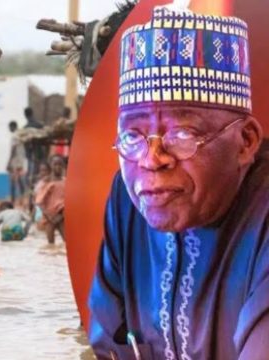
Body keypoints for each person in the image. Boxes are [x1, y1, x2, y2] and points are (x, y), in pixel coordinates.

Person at [88, 6, 268, 360]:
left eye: (183, 133)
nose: (151, 159)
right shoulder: (127, 198)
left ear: (245, 141)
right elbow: (107, 343)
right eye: (132, 137)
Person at [36, 155, 65, 244]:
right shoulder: (46, 182)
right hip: (49, 217)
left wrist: (61, 216)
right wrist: (49, 217)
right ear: (51, 166)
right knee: (50, 244)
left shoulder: (66, 181)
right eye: (55, 164)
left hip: (62, 216)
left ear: (63, 166)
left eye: (60, 164)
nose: (58, 167)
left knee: (67, 241)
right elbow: (39, 202)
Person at [7, 120, 26, 204]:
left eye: (10, 127)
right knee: (19, 181)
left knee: (13, 182)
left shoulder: (14, 136)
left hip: (14, 162)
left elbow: (13, 150)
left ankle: (13, 200)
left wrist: (9, 162)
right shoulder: (20, 136)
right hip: (20, 162)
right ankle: (22, 197)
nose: (9, 129)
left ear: (13, 126)